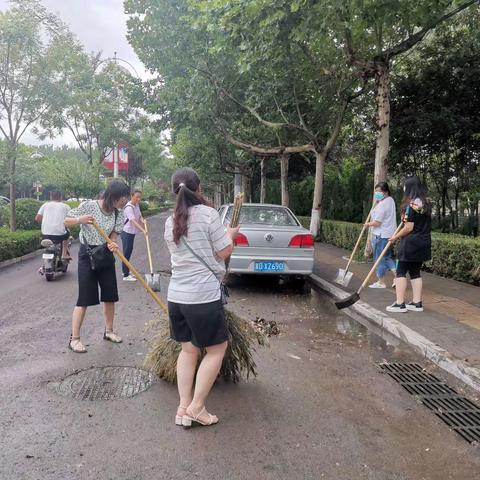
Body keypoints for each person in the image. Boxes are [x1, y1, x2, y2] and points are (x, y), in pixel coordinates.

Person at [164, 167, 239, 427]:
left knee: (188, 349)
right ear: (199, 188)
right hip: (203, 296)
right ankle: (196, 407)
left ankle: (183, 408)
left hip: (176, 295)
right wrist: (231, 236)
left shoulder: (169, 219)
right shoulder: (209, 215)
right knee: (217, 349)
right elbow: (223, 252)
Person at [64, 180, 130, 353]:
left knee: (110, 295)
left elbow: (114, 233)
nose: (122, 205)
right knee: (85, 297)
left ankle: (109, 331)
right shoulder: (90, 206)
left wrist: (113, 242)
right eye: (121, 201)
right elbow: (66, 221)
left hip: (105, 254)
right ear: (112, 196)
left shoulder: (118, 212)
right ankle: (75, 339)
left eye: (124, 202)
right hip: (88, 254)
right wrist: (80, 219)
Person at [386, 175, 432, 313]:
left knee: (400, 272)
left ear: (409, 187)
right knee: (415, 272)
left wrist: (395, 237)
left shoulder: (411, 205)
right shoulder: (426, 203)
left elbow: (408, 227)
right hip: (424, 242)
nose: (404, 188)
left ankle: (400, 303)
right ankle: (417, 303)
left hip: (410, 243)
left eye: (405, 186)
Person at [364, 182, 397, 288]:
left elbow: (377, 222)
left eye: (379, 191)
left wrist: (368, 224)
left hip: (381, 235)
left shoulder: (383, 204)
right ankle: (398, 277)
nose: (377, 193)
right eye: (376, 191)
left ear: (386, 192)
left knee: (379, 258)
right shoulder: (390, 200)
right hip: (390, 234)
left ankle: (381, 282)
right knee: (387, 257)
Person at [35, 191, 71, 259]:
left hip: (45, 234)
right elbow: (70, 220)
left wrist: (46, 222)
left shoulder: (45, 205)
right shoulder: (66, 206)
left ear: (51, 197)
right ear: (61, 197)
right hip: (60, 235)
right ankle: (64, 254)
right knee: (67, 235)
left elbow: (37, 218)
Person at [121, 190, 146, 282]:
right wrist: (143, 229)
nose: (138, 199)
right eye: (136, 197)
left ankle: (125, 271)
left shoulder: (136, 205)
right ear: (131, 196)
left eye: (140, 197)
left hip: (132, 232)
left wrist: (143, 221)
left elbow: (139, 216)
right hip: (126, 232)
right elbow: (133, 221)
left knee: (128, 252)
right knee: (126, 253)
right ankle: (125, 275)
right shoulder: (128, 207)